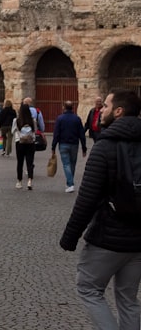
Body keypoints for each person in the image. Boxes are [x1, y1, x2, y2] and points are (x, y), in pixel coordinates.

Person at [60, 91, 141, 330]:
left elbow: (87, 199)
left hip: (109, 238)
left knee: (88, 288)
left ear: (118, 111)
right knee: (128, 299)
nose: (100, 110)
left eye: (105, 106)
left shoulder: (105, 147)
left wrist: (70, 237)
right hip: (138, 240)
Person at [52, 100, 88, 193]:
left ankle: (70, 183)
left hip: (63, 144)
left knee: (66, 164)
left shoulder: (60, 118)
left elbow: (56, 134)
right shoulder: (77, 119)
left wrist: (53, 147)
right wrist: (84, 147)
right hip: (74, 144)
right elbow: (81, 134)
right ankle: (69, 183)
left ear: (64, 107)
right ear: (73, 107)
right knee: (72, 164)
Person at [14, 101, 39, 190]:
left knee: (20, 163)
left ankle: (19, 181)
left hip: (19, 142)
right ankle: (29, 181)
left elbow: (13, 131)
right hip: (30, 142)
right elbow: (35, 131)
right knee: (29, 162)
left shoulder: (17, 120)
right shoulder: (33, 120)